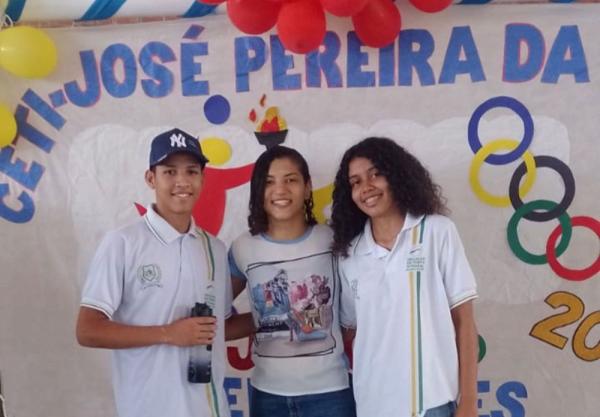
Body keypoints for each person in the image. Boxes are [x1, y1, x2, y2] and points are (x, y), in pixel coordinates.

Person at [76, 128, 232, 417]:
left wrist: (280, 317)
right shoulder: (122, 243)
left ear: (202, 178)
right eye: (170, 172)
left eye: (191, 171)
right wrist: (168, 334)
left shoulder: (215, 249)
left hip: (209, 408)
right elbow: (87, 330)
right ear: (151, 178)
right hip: (146, 406)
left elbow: (221, 327)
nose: (182, 181)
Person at [331, 137, 478, 417]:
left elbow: (465, 322)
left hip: (432, 404)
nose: (366, 188)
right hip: (373, 405)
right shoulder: (350, 254)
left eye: (375, 174)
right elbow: (351, 329)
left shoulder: (437, 232)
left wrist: (469, 401)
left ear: (396, 175)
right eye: (356, 182)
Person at [226, 146, 355, 417]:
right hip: (268, 397)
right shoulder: (242, 248)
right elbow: (216, 322)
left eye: (291, 180)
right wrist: (273, 320)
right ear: (258, 191)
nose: (280, 190)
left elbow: (354, 312)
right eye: (269, 182)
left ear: (307, 187)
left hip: (330, 395)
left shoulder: (334, 240)